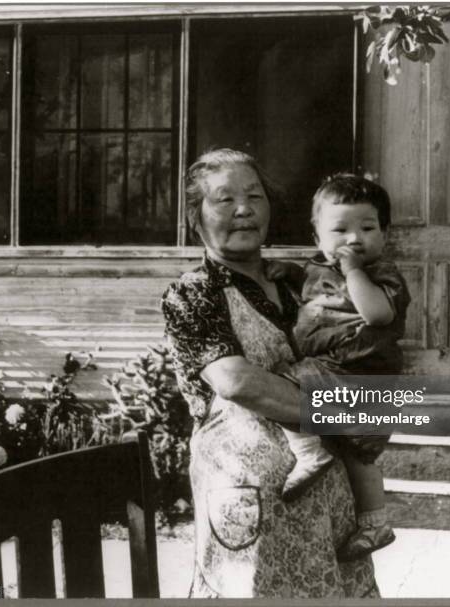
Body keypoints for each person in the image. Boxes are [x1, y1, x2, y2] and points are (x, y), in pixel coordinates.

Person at [161, 149, 379, 598]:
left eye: (255, 196)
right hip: (248, 496)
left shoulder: (300, 282)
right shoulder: (193, 295)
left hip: (328, 496)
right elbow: (236, 381)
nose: (244, 209)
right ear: (195, 216)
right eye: (224, 200)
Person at [268, 173, 411, 560]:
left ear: (384, 235)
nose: (354, 239)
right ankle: (375, 522)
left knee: (279, 381)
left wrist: (352, 272)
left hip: (358, 375)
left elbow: (377, 314)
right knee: (356, 453)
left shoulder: (382, 275)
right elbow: (317, 284)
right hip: (340, 374)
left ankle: (309, 451)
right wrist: (292, 272)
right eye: (341, 230)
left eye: (367, 228)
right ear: (317, 239)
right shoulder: (319, 269)